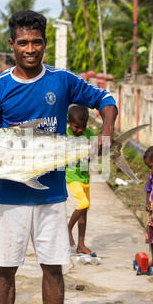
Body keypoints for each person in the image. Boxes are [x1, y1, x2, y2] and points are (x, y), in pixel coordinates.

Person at [0, 10, 117, 304]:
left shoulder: (62, 81)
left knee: (53, 270)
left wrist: (106, 132)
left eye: (36, 42)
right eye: (22, 43)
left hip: (51, 196)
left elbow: (106, 98)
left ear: (45, 44)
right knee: (5, 270)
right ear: (11, 45)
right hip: (10, 198)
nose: (30, 49)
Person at [65, 105, 94, 255]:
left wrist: (91, 156)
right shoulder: (64, 135)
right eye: (77, 127)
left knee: (84, 212)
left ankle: (81, 245)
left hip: (84, 176)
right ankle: (67, 228)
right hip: (71, 175)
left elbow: (93, 154)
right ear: (69, 121)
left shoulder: (89, 134)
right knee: (83, 204)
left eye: (83, 127)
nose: (80, 130)